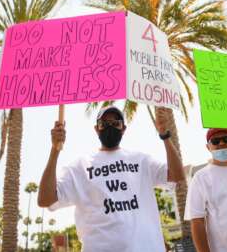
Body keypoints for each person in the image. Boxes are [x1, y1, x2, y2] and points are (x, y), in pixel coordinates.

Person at [38, 106, 185, 252]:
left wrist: (165, 135)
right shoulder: (79, 167)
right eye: (104, 124)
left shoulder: (142, 161)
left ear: (123, 129)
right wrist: (55, 149)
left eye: (116, 123)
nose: (110, 126)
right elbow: (45, 199)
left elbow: (177, 175)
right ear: (96, 129)